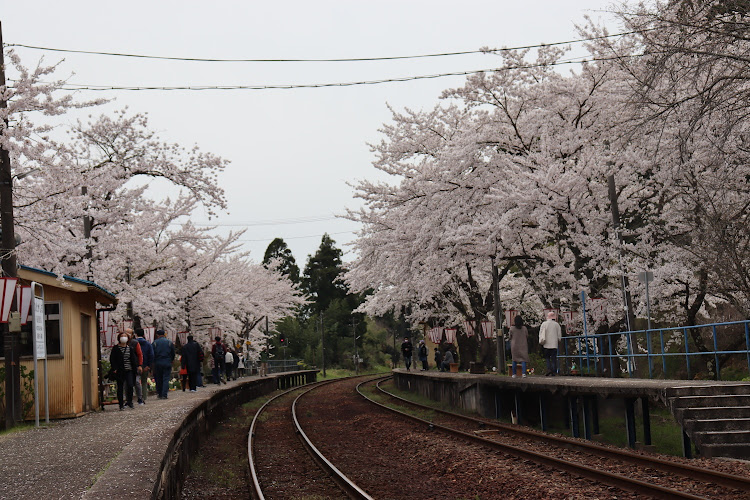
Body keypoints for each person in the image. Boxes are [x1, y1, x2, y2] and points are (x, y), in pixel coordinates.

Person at [110, 331, 139, 410]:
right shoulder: (116, 348)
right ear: (119, 338)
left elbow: (133, 359)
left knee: (130, 385)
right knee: (120, 387)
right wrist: (114, 368)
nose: (123, 337)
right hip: (119, 370)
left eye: (125, 336)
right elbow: (112, 359)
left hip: (129, 369)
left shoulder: (130, 348)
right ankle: (121, 404)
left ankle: (130, 401)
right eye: (122, 336)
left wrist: (135, 369)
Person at [152, 329, 175, 398]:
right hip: (167, 361)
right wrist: (171, 360)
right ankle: (164, 394)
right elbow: (173, 353)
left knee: (158, 378)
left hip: (158, 362)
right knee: (166, 378)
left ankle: (160, 393)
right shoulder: (169, 342)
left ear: (157, 335)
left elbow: (152, 354)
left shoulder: (155, 343)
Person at [539, 311, 562, 376]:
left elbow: (541, 333)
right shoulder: (556, 324)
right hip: (554, 344)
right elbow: (559, 335)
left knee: (547, 358)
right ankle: (554, 371)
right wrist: (558, 340)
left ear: (548, 317)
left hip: (546, 344)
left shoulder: (544, 324)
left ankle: (549, 369)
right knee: (554, 358)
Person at [135, 328, 154, 404]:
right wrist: (148, 366)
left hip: (136, 365)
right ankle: (145, 397)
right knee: (144, 382)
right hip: (145, 365)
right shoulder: (148, 344)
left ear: (136, 334)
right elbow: (151, 355)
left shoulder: (134, 343)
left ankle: (138, 397)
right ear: (143, 334)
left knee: (136, 381)